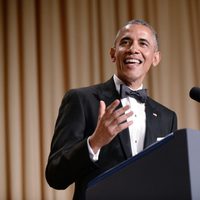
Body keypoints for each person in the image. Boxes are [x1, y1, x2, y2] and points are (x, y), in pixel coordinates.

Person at [45, 19, 177, 200]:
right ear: (113, 54)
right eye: (125, 42)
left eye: (143, 43)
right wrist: (95, 142)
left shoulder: (167, 117)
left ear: (155, 58)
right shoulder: (81, 100)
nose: (133, 49)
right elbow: (55, 175)